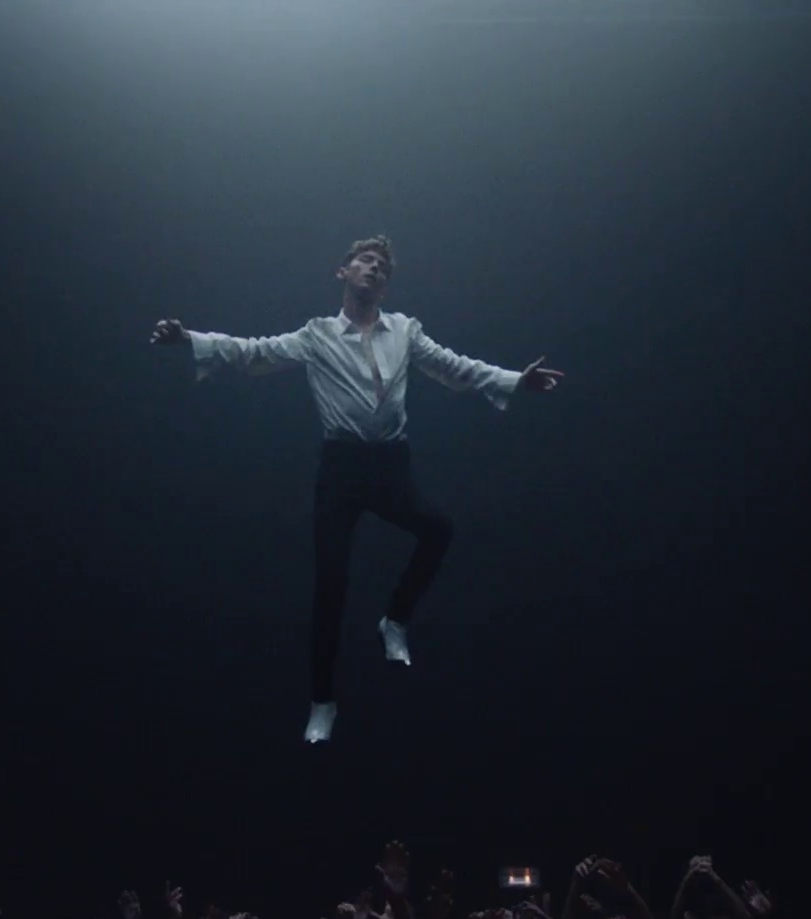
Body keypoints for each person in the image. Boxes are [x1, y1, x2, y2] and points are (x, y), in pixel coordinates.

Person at [150, 236, 563, 743]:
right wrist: (188, 338)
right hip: (342, 470)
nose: (375, 268)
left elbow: (454, 366)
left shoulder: (405, 331)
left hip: (390, 466)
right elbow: (252, 352)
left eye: (383, 266)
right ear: (342, 272)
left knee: (439, 529)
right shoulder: (317, 335)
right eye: (366, 261)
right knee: (331, 586)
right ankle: (322, 701)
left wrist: (516, 380)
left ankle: (396, 619)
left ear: (385, 286)